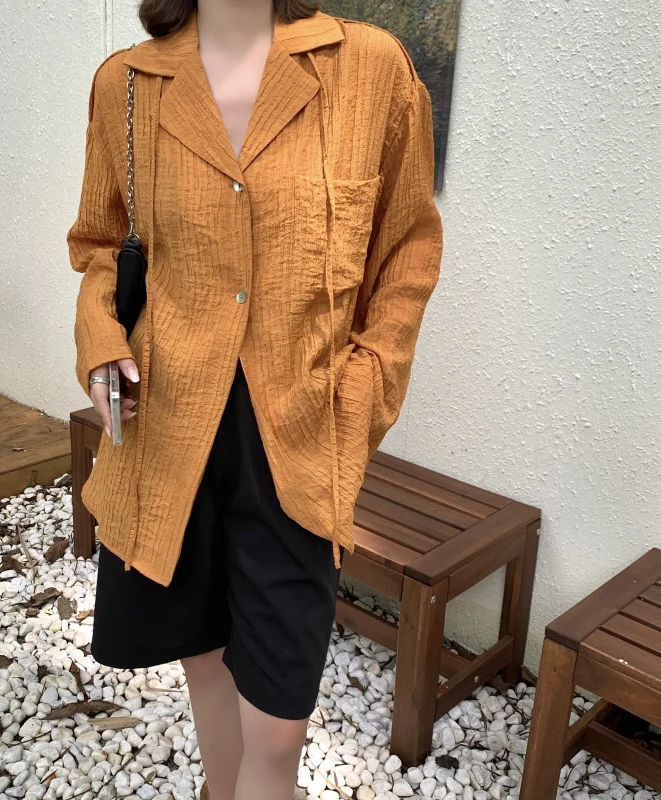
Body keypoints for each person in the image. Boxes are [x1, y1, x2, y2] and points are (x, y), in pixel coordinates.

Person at [67, 0, 443, 798]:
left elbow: (408, 248)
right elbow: (102, 244)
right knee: (203, 654)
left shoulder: (369, 69)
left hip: (298, 441)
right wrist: (99, 339)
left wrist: (365, 387)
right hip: (168, 430)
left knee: (278, 717)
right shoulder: (127, 82)